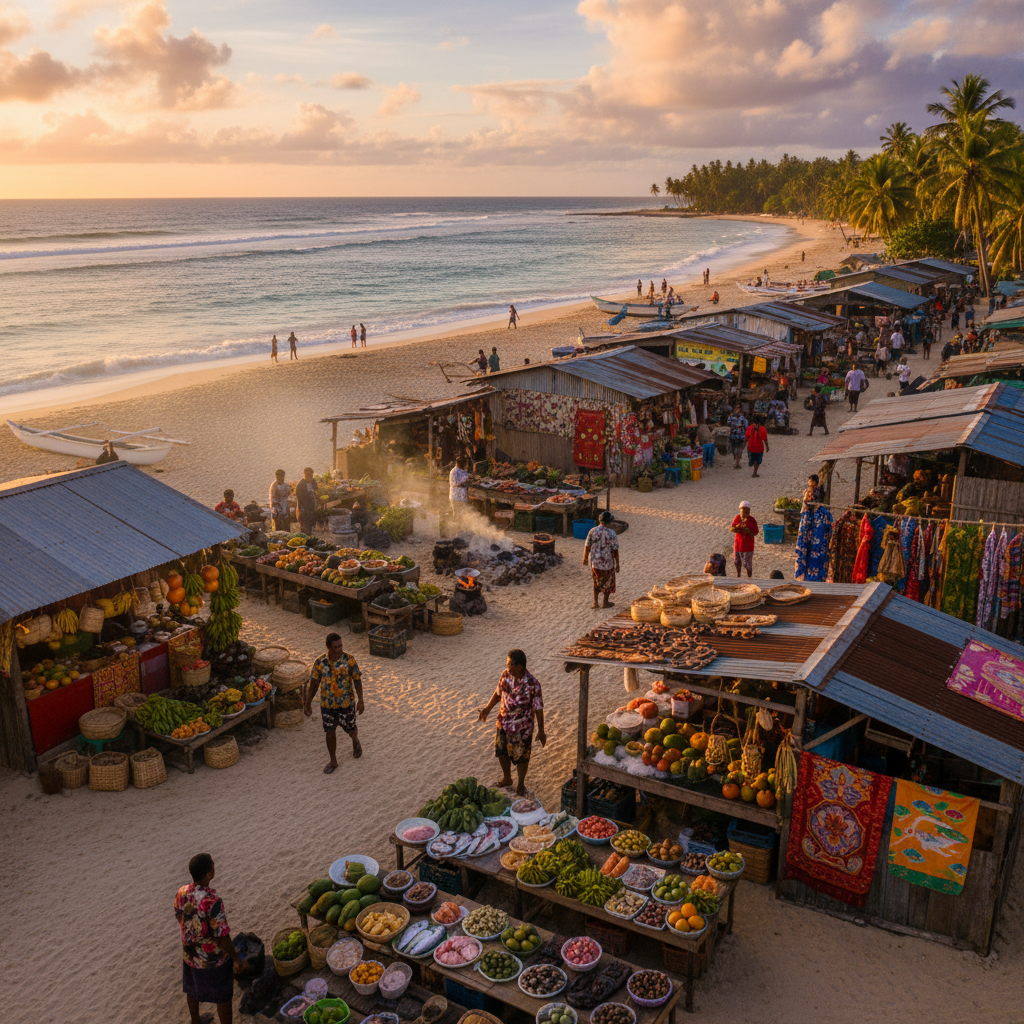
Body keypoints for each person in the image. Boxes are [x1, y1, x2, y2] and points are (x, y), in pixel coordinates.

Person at [174, 853, 244, 1024]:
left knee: (191, 989)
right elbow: (222, 936)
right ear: (209, 874)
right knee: (223, 996)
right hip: (212, 959)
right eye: (212, 865)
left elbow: (179, 916)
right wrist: (236, 958)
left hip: (190, 953)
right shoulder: (212, 900)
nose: (214, 867)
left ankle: (195, 1020)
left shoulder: (181, 892)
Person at [477, 649, 545, 796]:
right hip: (503, 722)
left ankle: (521, 785)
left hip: (522, 727)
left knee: (522, 757)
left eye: (509, 664)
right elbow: (497, 693)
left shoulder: (533, 684)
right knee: (501, 752)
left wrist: (541, 730)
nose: (507, 666)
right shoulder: (505, 675)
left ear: (519, 666)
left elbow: (538, 708)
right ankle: (507, 778)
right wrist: (487, 709)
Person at [305, 633, 364, 772]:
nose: (339, 650)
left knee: (351, 729)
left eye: (340, 646)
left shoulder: (349, 660)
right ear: (328, 647)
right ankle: (333, 761)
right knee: (329, 732)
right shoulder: (320, 662)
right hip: (327, 705)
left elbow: (357, 680)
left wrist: (361, 700)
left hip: (346, 704)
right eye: (335, 647)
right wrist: (307, 703)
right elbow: (313, 684)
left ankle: (355, 740)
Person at [582, 510, 620, 609]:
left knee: (596, 581)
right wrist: (617, 564)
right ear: (609, 522)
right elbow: (615, 550)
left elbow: (587, 546)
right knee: (607, 582)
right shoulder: (611, 533)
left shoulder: (592, 531)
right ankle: (605, 602)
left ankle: (595, 603)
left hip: (595, 562)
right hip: (607, 563)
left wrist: (585, 558)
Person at [731, 500, 758, 578]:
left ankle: (749, 576)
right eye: (742, 512)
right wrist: (737, 528)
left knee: (747, 564)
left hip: (748, 547)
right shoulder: (737, 518)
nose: (744, 514)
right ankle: (738, 575)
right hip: (738, 545)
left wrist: (748, 530)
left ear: (749, 512)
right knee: (736, 562)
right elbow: (732, 528)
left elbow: (756, 532)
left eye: (746, 512)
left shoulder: (752, 520)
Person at [296, 467, 318, 536]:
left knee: (311, 528)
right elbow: (300, 499)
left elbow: (316, 490)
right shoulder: (300, 485)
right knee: (304, 530)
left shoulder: (313, 481)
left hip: (312, 507)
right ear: (304, 475)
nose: (309, 477)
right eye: (307, 475)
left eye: (311, 476)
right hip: (304, 509)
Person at [726, 405, 748, 469]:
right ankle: (737, 461)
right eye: (736, 408)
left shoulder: (742, 418)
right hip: (734, 437)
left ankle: (737, 463)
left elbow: (746, 427)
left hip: (740, 437)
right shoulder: (731, 417)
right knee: (735, 450)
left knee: (739, 450)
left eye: (738, 409)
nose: (737, 410)